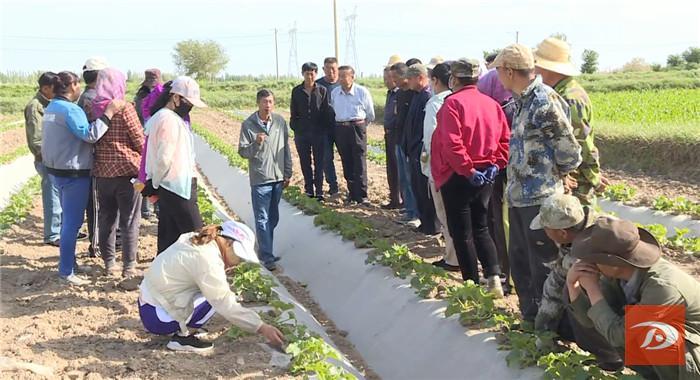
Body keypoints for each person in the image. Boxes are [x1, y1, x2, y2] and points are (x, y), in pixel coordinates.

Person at [492, 44, 582, 321]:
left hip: (541, 200)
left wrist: (555, 176)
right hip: (519, 197)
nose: (497, 78)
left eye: (498, 72)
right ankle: (530, 319)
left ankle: (551, 327)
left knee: (543, 266)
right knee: (522, 265)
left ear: (509, 71)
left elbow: (569, 150)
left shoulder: (543, 100)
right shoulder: (521, 101)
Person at [568, 218, 700, 379]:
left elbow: (619, 335)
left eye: (594, 259)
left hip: (694, 352)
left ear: (614, 263)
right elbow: (593, 319)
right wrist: (572, 285)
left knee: (654, 334)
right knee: (615, 319)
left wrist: (592, 288)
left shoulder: (662, 286)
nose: (590, 263)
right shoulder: (618, 276)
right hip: (683, 353)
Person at [139, 221, 285, 353]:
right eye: (239, 257)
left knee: (213, 290)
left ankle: (184, 326)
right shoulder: (207, 260)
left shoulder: (199, 240)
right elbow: (224, 303)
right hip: (157, 318)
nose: (239, 262)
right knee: (216, 298)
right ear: (228, 243)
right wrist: (261, 327)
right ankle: (182, 339)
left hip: (150, 301)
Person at [431, 59, 509, 297]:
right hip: (485, 175)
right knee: (482, 226)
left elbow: (452, 143)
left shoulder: (452, 104)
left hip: (458, 175)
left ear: (454, 79)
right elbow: (504, 139)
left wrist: (467, 169)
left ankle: (472, 284)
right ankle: (494, 277)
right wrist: (496, 164)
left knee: (461, 232)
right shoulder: (492, 104)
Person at [41, 71, 124, 285]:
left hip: (57, 170)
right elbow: (90, 134)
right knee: (72, 223)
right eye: (77, 84)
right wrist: (109, 113)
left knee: (67, 220)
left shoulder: (52, 107)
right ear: (72, 85)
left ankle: (70, 263)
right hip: (73, 173)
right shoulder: (70, 109)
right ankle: (66, 271)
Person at [529, 193, 623, 370]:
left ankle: (611, 356)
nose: (545, 233)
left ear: (562, 232)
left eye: (546, 229)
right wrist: (543, 327)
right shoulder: (582, 227)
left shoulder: (587, 251)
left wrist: (543, 329)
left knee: (573, 292)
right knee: (567, 295)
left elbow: (557, 284)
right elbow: (555, 280)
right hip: (628, 301)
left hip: (631, 308)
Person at [534, 37, 606, 206]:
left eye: (537, 64)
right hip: (566, 177)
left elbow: (580, 142)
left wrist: (594, 177)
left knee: (579, 227)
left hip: (576, 180)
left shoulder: (570, 98)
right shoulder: (558, 93)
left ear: (547, 67)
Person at [143, 76, 207, 254]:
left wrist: (154, 183)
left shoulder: (163, 117)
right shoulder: (168, 120)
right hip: (178, 188)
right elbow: (164, 158)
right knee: (197, 239)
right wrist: (154, 183)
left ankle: (163, 279)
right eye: (188, 102)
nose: (190, 107)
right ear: (175, 98)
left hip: (169, 185)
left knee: (168, 239)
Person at [92, 68, 144, 278]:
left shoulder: (93, 108)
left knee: (107, 218)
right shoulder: (125, 108)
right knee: (130, 220)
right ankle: (129, 266)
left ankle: (109, 263)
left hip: (103, 174)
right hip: (127, 173)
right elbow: (140, 140)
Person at [238, 89, 292, 271]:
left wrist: (287, 171)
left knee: (273, 218)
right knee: (262, 218)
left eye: (270, 102)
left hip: (277, 177)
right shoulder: (248, 124)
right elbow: (243, 152)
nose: (267, 105)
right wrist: (256, 144)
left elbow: (286, 149)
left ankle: (264, 249)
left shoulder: (280, 122)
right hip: (260, 178)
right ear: (258, 103)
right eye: (264, 102)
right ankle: (268, 256)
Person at [478, 65, 516, 293]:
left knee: (501, 222)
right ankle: (505, 272)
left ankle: (506, 273)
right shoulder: (512, 105)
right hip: (504, 171)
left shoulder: (502, 110)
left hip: (502, 172)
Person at [422, 63, 459, 272]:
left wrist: (430, 168)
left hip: (441, 169)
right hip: (460, 168)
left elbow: (430, 140)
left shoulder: (436, 103)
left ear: (435, 80)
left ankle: (453, 258)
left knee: (446, 215)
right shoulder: (456, 100)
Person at [24, 72, 62, 246]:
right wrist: (49, 157)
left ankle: (60, 229)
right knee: (52, 195)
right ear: (45, 88)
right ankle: (52, 234)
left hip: (55, 157)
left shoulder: (51, 104)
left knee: (59, 195)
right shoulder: (35, 107)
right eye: (55, 89)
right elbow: (36, 140)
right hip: (46, 159)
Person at [77, 56, 109, 258]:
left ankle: (97, 243)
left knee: (94, 203)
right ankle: (96, 246)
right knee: (96, 204)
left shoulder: (84, 97)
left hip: (90, 157)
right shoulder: (94, 99)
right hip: (96, 157)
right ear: (100, 76)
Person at [331, 66, 375, 205]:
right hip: (341, 128)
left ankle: (362, 195)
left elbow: (370, 114)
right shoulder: (335, 93)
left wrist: (360, 127)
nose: (342, 79)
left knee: (359, 161)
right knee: (346, 160)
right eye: (340, 76)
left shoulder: (362, 92)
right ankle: (352, 193)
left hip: (357, 127)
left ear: (352, 77)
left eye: (345, 76)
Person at [405, 64, 438, 235]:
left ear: (419, 77)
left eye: (409, 78)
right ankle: (425, 223)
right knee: (417, 188)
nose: (407, 81)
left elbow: (424, 128)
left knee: (424, 190)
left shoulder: (426, 97)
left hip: (421, 150)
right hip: (414, 149)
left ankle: (431, 225)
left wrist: (417, 147)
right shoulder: (417, 96)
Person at [290, 62, 331, 200]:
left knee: (319, 162)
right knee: (305, 161)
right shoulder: (296, 91)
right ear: (303, 74)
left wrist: (324, 128)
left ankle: (319, 191)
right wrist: (296, 127)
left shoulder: (322, 90)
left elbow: (326, 111)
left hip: (318, 133)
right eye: (307, 73)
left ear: (316, 74)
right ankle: (309, 190)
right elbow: (293, 112)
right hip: (302, 133)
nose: (310, 76)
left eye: (312, 73)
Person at [389, 62, 419, 227]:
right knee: (403, 179)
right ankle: (409, 209)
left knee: (411, 179)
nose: (393, 81)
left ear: (403, 76)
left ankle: (415, 212)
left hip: (410, 143)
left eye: (395, 77)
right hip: (399, 140)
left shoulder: (414, 94)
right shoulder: (400, 94)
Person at [133, 69, 162, 220]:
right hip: (145, 138)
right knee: (146, 174)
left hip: (148, 137)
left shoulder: (140, 96)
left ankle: (153, 208)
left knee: (149, 173)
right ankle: (146, 210)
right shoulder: (143, 97)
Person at [316, 57, 341, 197]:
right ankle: (333, 185)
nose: (331, 71)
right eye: (327, 68)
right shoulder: (318, 85)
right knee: (326, 157)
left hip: (341, 127)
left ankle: (352, 186)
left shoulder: (342, 83)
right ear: (323, 69)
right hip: (324, 128)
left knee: (346, 157)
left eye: (333, 68)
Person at [381, 55, 403, 210]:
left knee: (399, 168)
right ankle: (394, 198)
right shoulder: (390, 94)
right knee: (391, 168)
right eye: (385, 77)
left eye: (388, 77)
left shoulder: (400, 94)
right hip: (388, 134)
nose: (386, 80)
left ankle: (402, 200)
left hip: (397, 134)